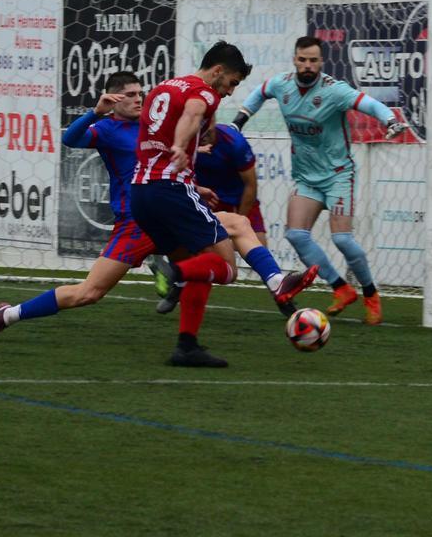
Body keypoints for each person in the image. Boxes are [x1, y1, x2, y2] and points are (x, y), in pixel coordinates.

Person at [131, 41, 317, 367]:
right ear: (218, 71)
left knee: (233, 231)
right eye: (231, 83)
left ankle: (187, 346)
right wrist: (180, 144)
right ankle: (172, 272)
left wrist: (194, 174)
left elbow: (178, 119)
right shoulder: (204, 92)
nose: (229, 92)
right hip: (170, 188)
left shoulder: (164, 87)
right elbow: (193, 112)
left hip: (142, 192)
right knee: (226, 267)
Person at [231, 36, 409, 325]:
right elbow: (261, 93)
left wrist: (390, 121)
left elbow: (369, 103)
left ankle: (371, 294)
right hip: (306, 178)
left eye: (313, 60)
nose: (307, 65)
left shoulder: (334, 91)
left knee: (342, 239)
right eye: (302, 59)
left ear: (321, 62)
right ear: (294, 59)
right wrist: (239, 120)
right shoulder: (282, 84)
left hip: (338, 175)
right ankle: (341, 289)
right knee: (296, 234)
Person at [0, 73, 158, 339]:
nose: (138, 99)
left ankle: (173, 278)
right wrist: (95, 113)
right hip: (135, 221)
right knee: (89, 294)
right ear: (113, 99)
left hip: (164, 211)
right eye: (130, 95)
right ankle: (9, 314)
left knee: (222, 233)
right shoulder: (106, 129)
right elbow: (71, 139)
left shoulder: (151, 124)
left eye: (140, 93)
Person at [152, 118, 272, 315]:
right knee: (199, 255)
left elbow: (251, 185)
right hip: (206, 200)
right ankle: (178, 285)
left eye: (206, 127)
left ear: (213, 120)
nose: (203, 132)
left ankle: (283, 299)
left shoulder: (234, 142)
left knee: (260, 253)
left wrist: (240, 219)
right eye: (198, 128)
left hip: (239, 200)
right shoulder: (184, 143)